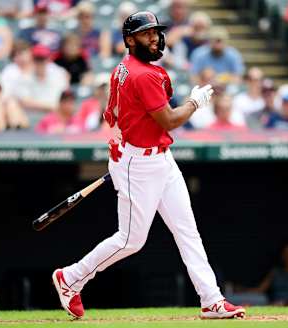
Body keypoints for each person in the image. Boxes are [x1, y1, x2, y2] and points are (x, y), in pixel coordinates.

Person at [51, 11, 246, 320]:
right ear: (130, 40)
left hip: (158, 159)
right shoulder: (143, 74)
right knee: (130, 240)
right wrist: (194, 103)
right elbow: (169, 119)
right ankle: (72, 278)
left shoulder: (121, 69)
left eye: (155, 31)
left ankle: (212, 300)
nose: (154, 37)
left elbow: (111, 114)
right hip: (138, 165)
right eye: (145, 34)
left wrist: (119, 139)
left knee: (187, 231)